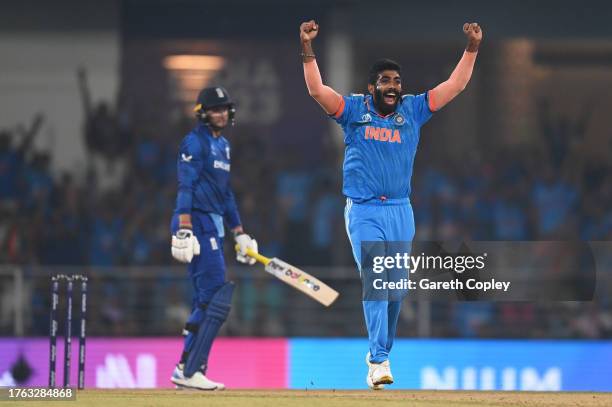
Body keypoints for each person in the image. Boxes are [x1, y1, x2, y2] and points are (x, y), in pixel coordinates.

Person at [300, 20, 482, 389]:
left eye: (397, 82)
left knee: (397, 291)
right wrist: (306, 47)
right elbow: (318, 90)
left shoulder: (413, 110)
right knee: (377, 279)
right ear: (372, 87)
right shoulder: (353, 110)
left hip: (401, 210)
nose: (393, 87)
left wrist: (472, 48)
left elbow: (456, 85)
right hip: (364, 209)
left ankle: (379, 353)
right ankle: (379, 360)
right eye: (385, 81)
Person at [169, 86, 259, 390]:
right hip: (196, 222)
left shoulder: (224, 147)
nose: (220, 113)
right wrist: (183, 227)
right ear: (202, 112)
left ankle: (187, 368)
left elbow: (226, 194)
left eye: (224, 108)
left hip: (215, 225)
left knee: (206, 299)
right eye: (214, 109)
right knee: (217, 295)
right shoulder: (195, 142)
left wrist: (239, 233)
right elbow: (186, 186)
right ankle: (191, 368)